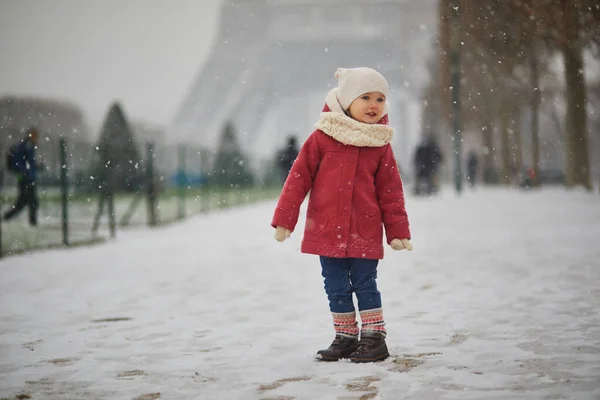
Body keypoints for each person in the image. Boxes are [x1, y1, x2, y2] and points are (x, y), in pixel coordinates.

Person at [271, 67, 412, 363]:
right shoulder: (322, 138)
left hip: (364, 228)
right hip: (326, 228)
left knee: (365, 283)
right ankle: (346, 336)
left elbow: (391, 192)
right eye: (365, 97)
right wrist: (285, 218)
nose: (374, 105)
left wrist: (398, 231)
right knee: (334, 285)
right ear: (347, 101)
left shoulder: (380, 144)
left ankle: (374, 337)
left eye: (380, 99)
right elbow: (299, 178)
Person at [4, 127, 39, 226]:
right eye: (34, 136)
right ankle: (32, 223)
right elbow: (20, 162)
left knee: (25, 202)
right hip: (26, 178)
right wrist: (26, 172)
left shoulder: (27, 146)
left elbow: (28, 163)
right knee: (29, 202)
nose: (36, 138)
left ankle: (8, 216)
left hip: (27, 178)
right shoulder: (26, 146)